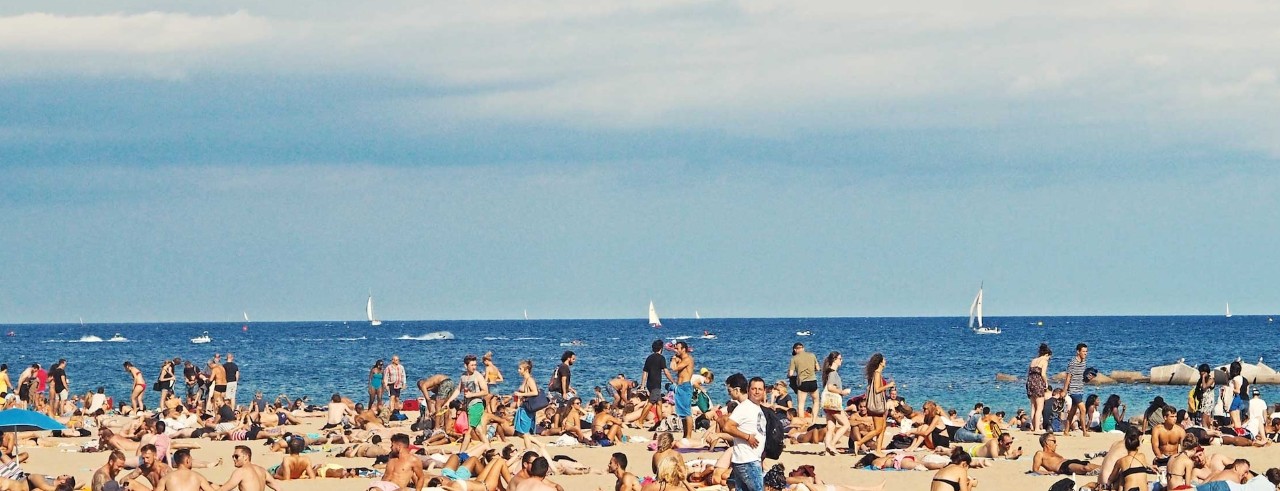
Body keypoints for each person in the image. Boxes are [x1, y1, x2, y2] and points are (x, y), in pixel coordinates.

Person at [721, 373, 765, 491]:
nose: (757, 392)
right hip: (747, 460)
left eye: (760, 389)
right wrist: (747, 437)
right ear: (748, 389)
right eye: (754, 389)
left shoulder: (754, 407)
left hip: (749, 459)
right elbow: (727, 427)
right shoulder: (745, 407)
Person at [855, 353, 894, 452]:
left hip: (879, 404)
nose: (885, 361)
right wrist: (888, 385)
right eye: (884, 360)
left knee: (883, 427)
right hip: (877, 405)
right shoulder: (877, 374)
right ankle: (859, 443)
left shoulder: (877, 374)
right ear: (880, 362)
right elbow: (877, 389)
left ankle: (878, 450)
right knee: (878, 429)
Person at [458, 354, 490, 452]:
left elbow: (485, 391)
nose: (474, 367)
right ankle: (490, 450)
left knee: (468, 432)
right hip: (469, 406)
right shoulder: (463, 376)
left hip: (477, 405)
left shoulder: (478, 376)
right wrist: (448, 402)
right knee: (479, 431)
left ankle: (461, 454)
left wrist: (472, 395)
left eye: (475, 365)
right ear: (466, 366)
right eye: (472, 365)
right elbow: (458, 389)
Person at [1106, 427, 1154, 491]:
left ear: (1126, 446)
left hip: (1130, 489)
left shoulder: (1121, 461)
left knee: (1122, 474)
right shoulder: (1142, 456)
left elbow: (1111, 478)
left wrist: (1107, 485)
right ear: (1138, 446)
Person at [820, 352, 849, 456]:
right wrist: (842, 392)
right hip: (833, 404)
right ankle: (832, 444)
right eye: (840, 359)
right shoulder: (833, 373)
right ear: (835, 360)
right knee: (846, 425)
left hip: (828, 404)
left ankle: (827, 451)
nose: (841, 361)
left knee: (831, 427)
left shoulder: (829, 372)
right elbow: (830, 387)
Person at [1031, 433, 1099, 475]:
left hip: (1071, 461)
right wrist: (1048, 473)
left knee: (1097, 467)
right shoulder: (1040, 454)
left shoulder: (1055, 454)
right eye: (1054, 441)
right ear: (1046, 442)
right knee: (1085, 468)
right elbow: (1035, 470)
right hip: (1064, 466)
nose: (1056, 444)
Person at [1061, 343, 1089, 437]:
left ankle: (1066, 430)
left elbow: (1082, 376)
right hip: (1073, 390)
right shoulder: (1073, 362)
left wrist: (1088, 378)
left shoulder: (1084, 362)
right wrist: (1064, 390)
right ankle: (1084, 431)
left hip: (1080, 388)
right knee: (1083, 409)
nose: (1085, 353)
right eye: (1083, 351)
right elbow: (1068, 377)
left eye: (1086, 351)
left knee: (1073, 410)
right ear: (1078, 352)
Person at [669, 342, 694, 439]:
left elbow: (674, 368)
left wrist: (673, 359)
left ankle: (689, 436)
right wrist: (675, 358)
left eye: (677, 348)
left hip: (685, 387)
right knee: (682, 413)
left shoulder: (688, 359)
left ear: (683, 349)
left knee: (687, 412)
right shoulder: (681, 359)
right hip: (680, 386)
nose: (676, 350)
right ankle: (685, 434)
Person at [788, 342, 820, 418]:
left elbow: (791, 373)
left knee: (801, 404)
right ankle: (813, 420)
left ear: (795, 350)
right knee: (816, 401)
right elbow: (818, 368)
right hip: (813, 381)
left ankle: (802, 421)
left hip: (802, 383)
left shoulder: (794, 358)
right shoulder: (812, 355)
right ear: (803, 348)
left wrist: (789, 375)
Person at [1026, 344, 1051, 434]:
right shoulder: (1044, 361)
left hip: (1030, 382)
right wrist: (1046, 383)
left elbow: (1028, 373)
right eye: (1049, 358)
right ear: (1047, 354)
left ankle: (1033, 426)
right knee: (1040, 407)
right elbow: (1043, 374)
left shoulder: (1033, 360)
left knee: (1033, 406)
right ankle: (1037, 428)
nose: (1049, 359)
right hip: (1038, 383)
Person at [640, 340, 670, 404]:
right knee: (651, 403)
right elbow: (666, 372)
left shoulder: (649, 358)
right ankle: (642, 412)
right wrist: (672, 381)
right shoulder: (661, 358)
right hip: (656, 385)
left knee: (659, 403)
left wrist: (643, 385)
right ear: (661, 348)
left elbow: (645, 372)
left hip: (649, 384)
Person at [1195, 363, 1216, 428]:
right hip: (1203, 401)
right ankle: (1209, 430)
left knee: (1204, 420)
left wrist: (1203, 377)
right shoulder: (1202, 380)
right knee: (1206, 420)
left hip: (1208, 402)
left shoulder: (1211, 379)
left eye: (1201, 372)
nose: (1200, 374)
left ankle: (1206, 432)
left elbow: (1204, 387)